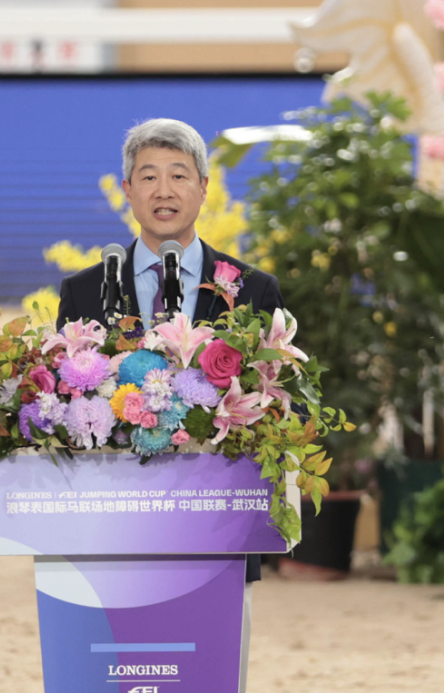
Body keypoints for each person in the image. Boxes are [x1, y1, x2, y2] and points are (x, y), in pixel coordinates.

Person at [55, 118, 288, 693]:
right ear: (127, 190)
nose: (164, 191)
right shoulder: (83, 291)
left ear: (204, 188)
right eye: (149, 176)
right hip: (110, 534)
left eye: (179, 176)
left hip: (216, 531)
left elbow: (283, 402)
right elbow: (61, 401)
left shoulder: (252, 290)